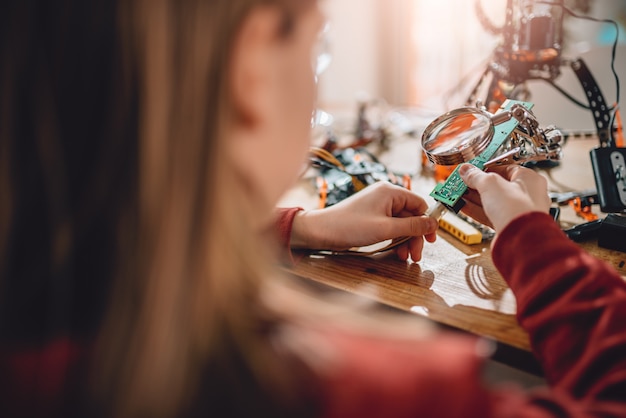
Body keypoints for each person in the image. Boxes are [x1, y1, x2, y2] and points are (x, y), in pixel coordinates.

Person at [0, 1, 625, 418]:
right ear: (249, 72)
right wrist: (539, 244)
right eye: (315, 49)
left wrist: (298, 228)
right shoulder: (381, 396)